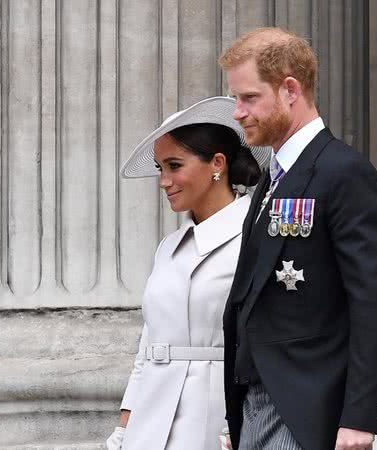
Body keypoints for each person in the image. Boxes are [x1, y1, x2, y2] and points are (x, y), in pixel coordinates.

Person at [219, 28, 377, 450]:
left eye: (248, 98)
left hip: (312, 408)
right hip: (262, 403)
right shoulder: (273, 177)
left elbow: (373, 299)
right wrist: (239, 417)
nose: (237, 112)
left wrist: (361, 418)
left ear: (290, 90)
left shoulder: (343, 172)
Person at [108, 96, 270, 450]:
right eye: (159, 168)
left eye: (174, 166)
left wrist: (244, 423)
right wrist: (124, 426)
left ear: (217, 164)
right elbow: (149, 345)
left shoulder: (257, 236)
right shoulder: (168, 247)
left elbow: (268, 342)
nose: (164, 181)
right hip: (150, 418)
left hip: (215, 416)